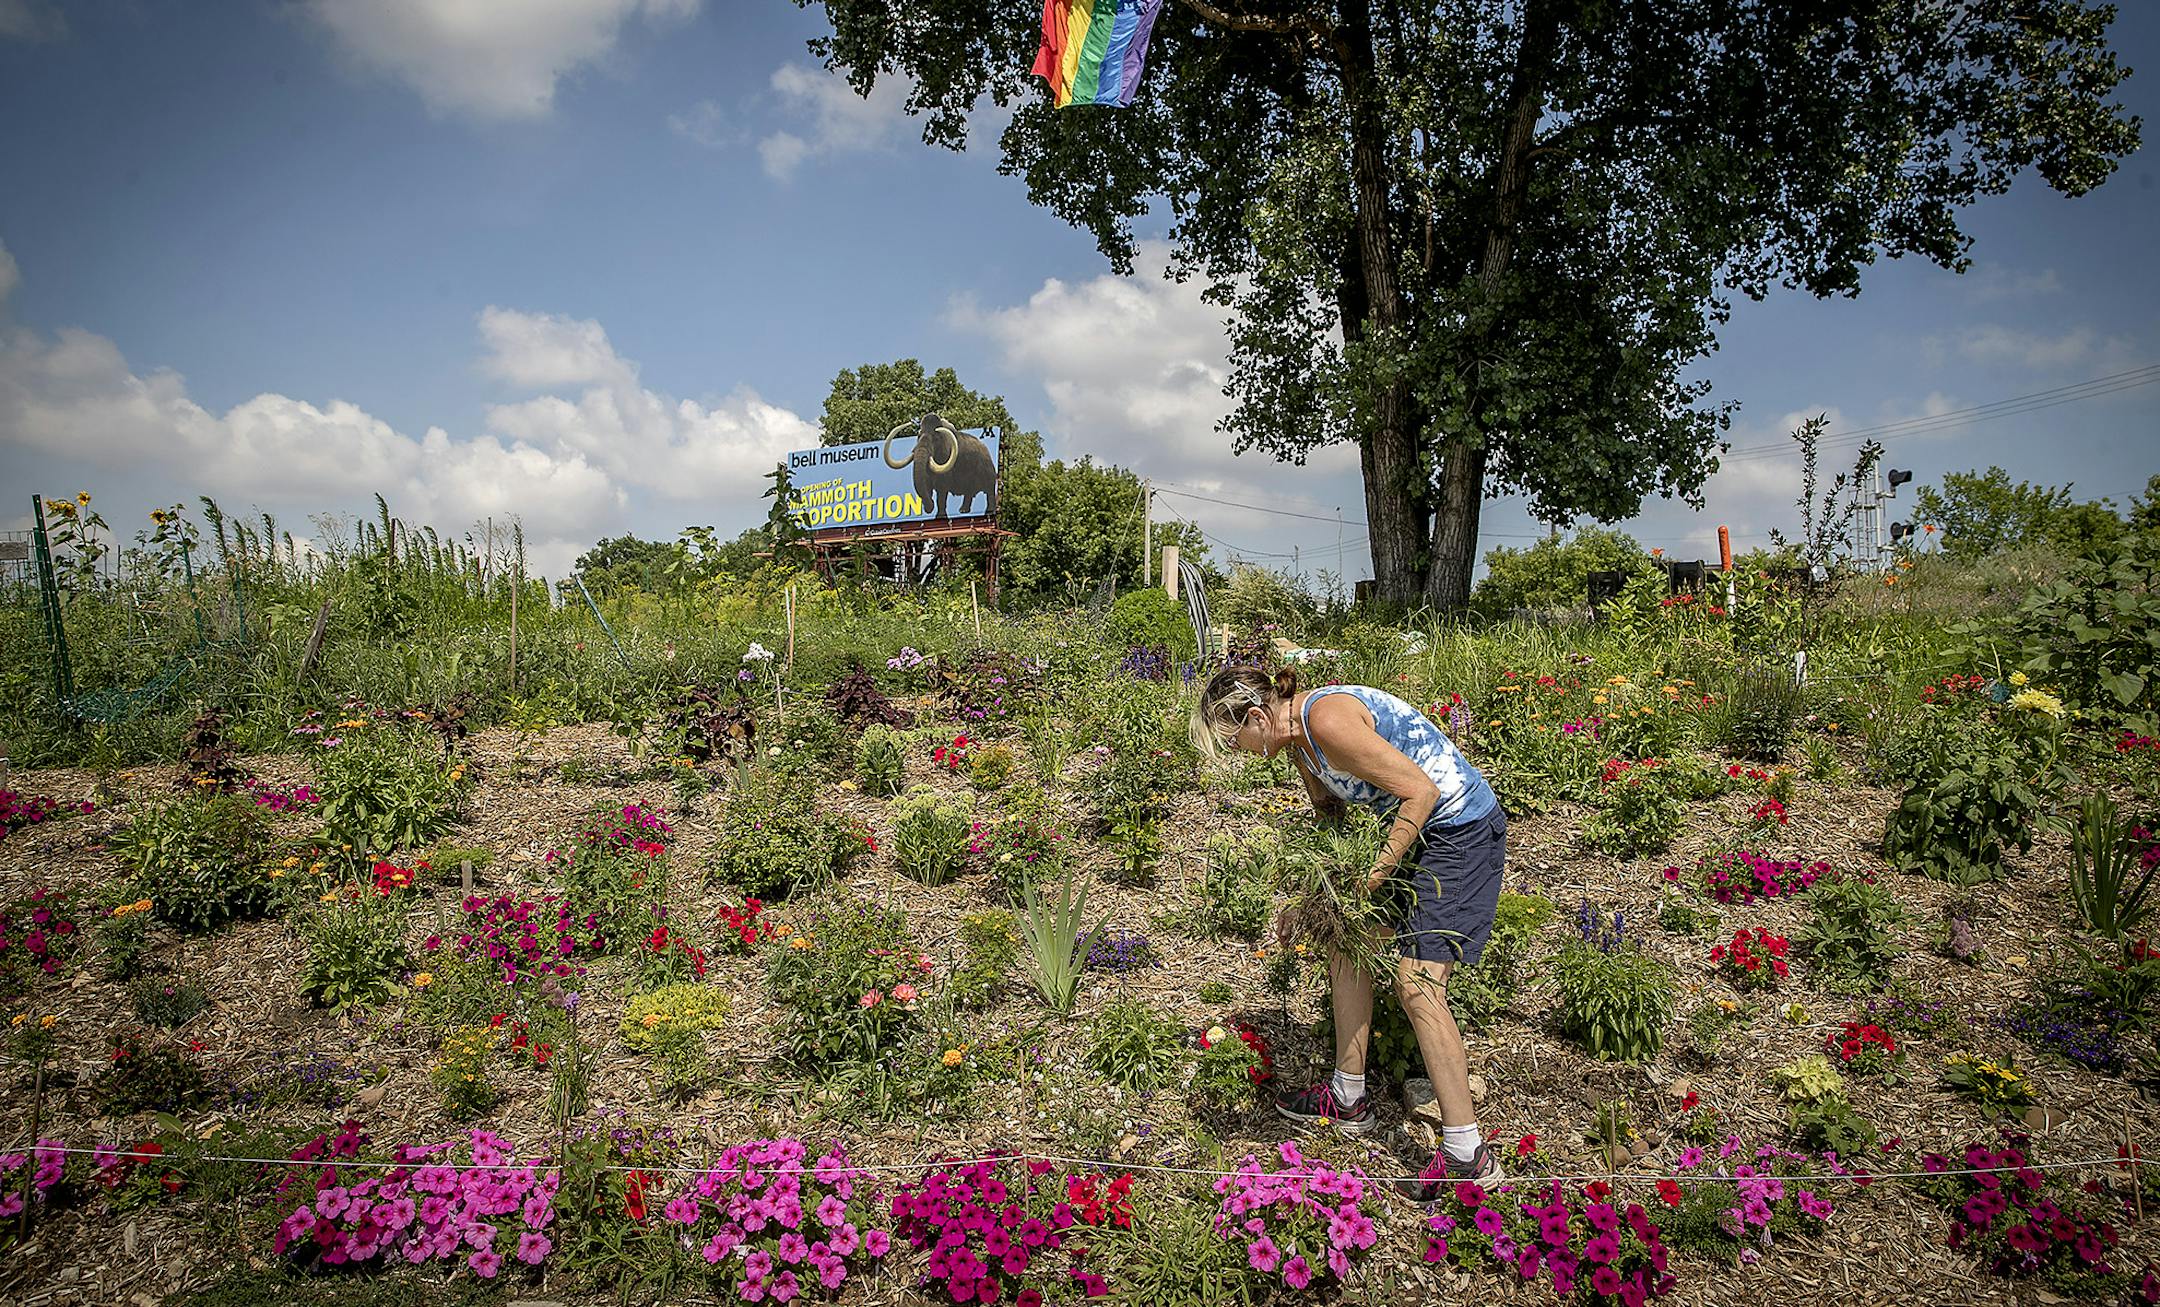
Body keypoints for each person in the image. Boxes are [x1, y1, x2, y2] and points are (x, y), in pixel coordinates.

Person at [1190, 665, 1507, 1192]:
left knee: (1418, 985)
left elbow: (1420, 792)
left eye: (1236, 741)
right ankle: (1347, 1095)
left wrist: (1372, 876)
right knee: (1344, 939)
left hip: (1460, 833)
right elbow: (1330, 817)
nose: (1241, 754)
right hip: (1416, 832)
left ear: (1254, 716)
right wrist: (1319, 899)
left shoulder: (1327, 721)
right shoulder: (1297, 744)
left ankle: (1466, 1155)